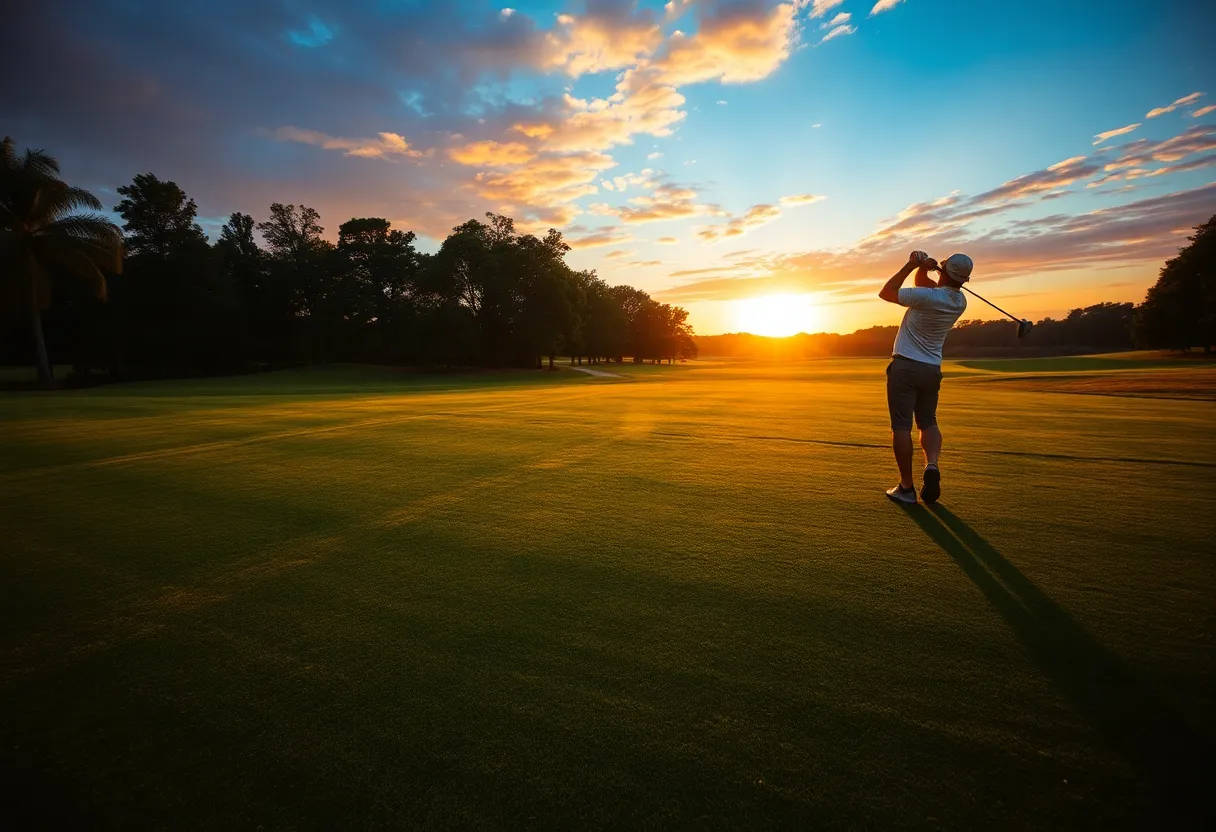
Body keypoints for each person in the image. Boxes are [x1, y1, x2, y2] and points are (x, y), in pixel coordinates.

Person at [877, 250, 972, 504]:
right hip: (932, 369)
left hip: (906, 367)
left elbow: (886, 292)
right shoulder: (959, 302)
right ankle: (931, 464)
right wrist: (925, 270)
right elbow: (927, 288)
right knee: (928, 422)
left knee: (901, 427)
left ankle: (906, 488)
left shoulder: (928, 296)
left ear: (944, 272)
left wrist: (911, 265)